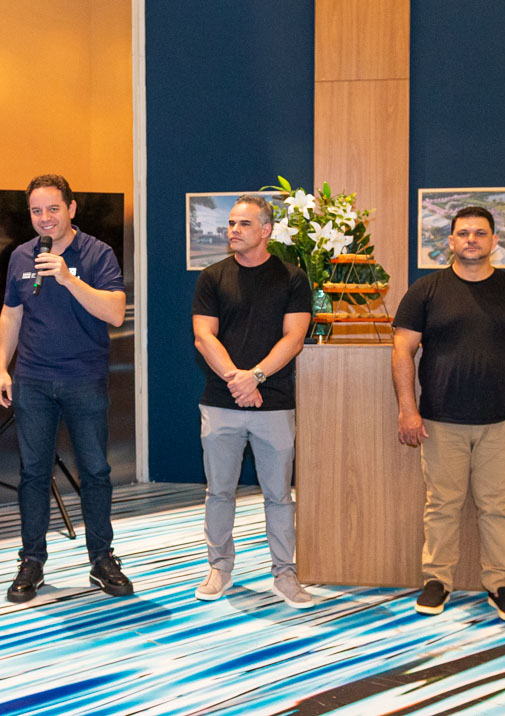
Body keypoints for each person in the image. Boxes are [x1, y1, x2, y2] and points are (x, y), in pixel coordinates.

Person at [392, 206, 505, 624]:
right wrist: (408, 410)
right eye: (463, 233)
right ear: (450, 241)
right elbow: (402, 350)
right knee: (442, 504)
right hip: (440, 420)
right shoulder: (426, 290)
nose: (471, 240)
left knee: (499, 506)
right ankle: (437, 581)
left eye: (480, 233)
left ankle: (501, 585)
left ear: (494, 241)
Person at [0, 174, 132, 603]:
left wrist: (69, 279)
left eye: (53, 208)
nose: (45, 218)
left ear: (71, 208)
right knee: (33, 473)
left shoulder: (97, 253)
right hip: (32, 380)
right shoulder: (21, 256)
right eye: (36, 211)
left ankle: (102, 559)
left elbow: (115, 312)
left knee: (96, 471)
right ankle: (31, 561)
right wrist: (1, 369)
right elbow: (11, 314)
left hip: (84, 379)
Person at [191, 195, 313, 608]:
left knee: (279, 495)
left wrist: (256, 376)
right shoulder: (212, 277)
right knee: (219, 492)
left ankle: (285, 573)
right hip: (220, 401)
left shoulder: (293, 278)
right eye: (231, 223)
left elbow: (294, 338)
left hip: (274, 403)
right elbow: (203, 336)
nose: (233, 230)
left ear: (266, 230)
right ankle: (219, 568)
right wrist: (237, 380)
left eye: (244, 224)